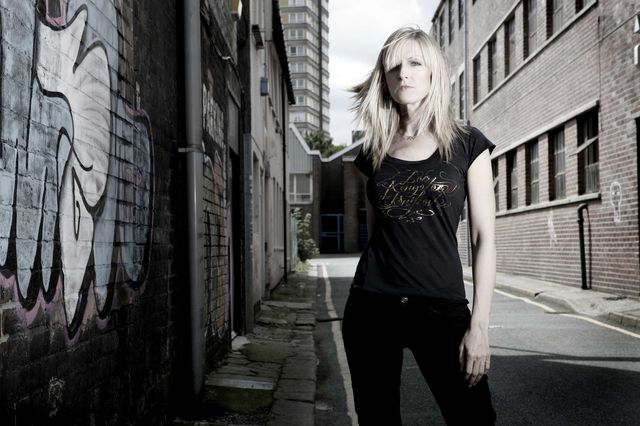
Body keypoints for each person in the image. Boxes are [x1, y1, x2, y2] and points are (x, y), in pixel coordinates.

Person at [342, 27, 497, 425]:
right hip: (372, 306)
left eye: (414, 63)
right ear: (384, 78)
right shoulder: (374, 150)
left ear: (433, 73)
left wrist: (478, 327)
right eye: (394, 66)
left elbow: (483, 239)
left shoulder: (467, 143)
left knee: (474, 419)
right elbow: (377, 232)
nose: (403, 73)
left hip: (442, 307)